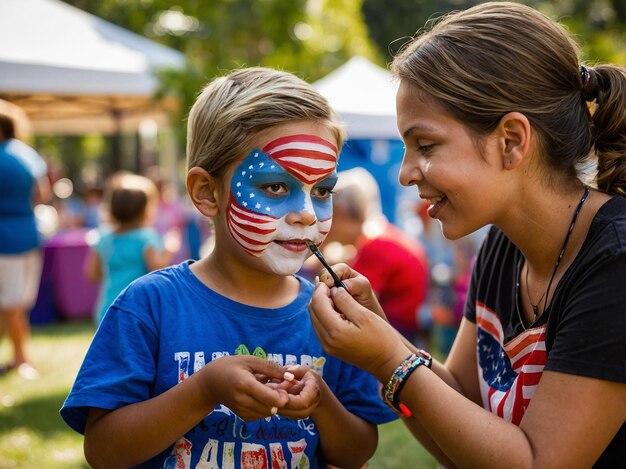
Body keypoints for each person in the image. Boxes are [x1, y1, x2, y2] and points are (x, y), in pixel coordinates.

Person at [309, 2, 626, 467]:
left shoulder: (615, 261)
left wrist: (388, 361)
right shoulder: (504, 244)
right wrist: (385, 338)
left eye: (426, 145)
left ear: (512, 141)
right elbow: (460, 412)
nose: (404, 174)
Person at [61, 67, 396, 468]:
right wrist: (203, 391)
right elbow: (104, 451)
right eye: (275, 186)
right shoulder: (149, 305)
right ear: (207, 192)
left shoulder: (332, 320)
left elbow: (357, 452)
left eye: (322, 191)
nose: (307, 214)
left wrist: (322, 403)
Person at [307, 167, 429, 345]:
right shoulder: (381, 234)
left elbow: (351, 302)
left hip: (399, 334)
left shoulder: (374, 247)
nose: (324, 227)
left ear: (340, 213)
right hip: (408, 328)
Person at [84, 172, 177, 325]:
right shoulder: (145, 238)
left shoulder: (103, 238)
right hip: (136, 309)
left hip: (107, 309)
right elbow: (157, 269)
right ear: (145, 210)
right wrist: (169, 249)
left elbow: (92, 274)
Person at [0, 114, 51, 379]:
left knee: (10, 304)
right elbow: (43, 195)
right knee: (17, 303)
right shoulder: (28, 154)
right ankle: (19, 357)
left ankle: (21, 359)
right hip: (30, 234)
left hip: (6, 239)